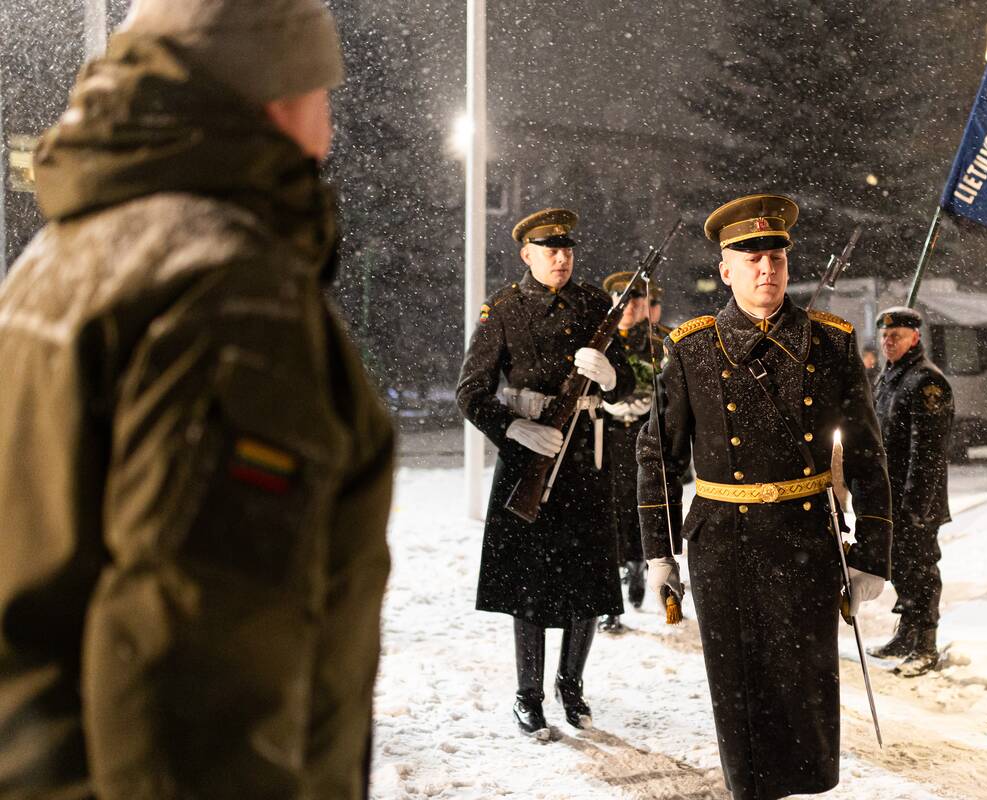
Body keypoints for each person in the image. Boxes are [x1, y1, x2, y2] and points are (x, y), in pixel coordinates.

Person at [0, 2, 395, 797]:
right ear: (275, 90)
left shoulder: (63, 254)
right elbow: (194, 695)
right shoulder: (228, 292)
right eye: (322, 92)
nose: (326, 135)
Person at [637, 194, 892, 798]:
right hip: (724, 545)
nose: (766, 269)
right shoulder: (692, 346)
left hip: (807, 541)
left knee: (805, 693)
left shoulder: (830, 343)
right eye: (750, 259)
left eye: (776, 256)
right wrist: (658, 552)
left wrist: (871, 555)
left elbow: (866, 454)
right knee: (741, 696)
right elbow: (658, 454)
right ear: (726, 270)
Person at [457, 208, 634, 737]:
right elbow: (470, 392)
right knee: (528, 583)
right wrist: (512, 427)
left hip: (585, 456)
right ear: (526, 255)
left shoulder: (595, 304)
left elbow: (623, 383)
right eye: (549, 249)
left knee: (588, 580)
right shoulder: (504, 309)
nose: (561, 258)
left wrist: (609, 377)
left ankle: (571, 686)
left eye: (568, 249)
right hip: (528, 456)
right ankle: (528, 694)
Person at [868, 307, 955, 677]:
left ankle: (926, 644)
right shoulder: (889, 378)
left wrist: (915, 505)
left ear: (915, 338)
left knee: (921, 570)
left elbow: (929, 454)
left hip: (914, 500)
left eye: (897, 336)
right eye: (886, 337)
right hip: (891, 498)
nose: (889, 342)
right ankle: (906, 635)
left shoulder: (926, 382)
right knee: (901, 568)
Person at [598, 271, 658, 634]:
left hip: (642, 438)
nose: (627, 308)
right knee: (608, 516)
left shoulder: (655, 344)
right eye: (621, 301)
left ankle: (637, 564)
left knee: (639, 510)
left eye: (633, 302)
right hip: (607, 439)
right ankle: (611, 601)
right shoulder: (601, 342)